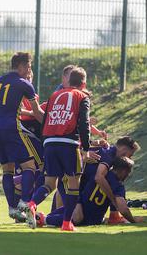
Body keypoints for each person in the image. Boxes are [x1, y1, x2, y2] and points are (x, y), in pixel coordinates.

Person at [20, 67, 98, 231]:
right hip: (68, 143)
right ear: (83, 83)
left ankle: (31, 204)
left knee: (50, 183)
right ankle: (66, 223)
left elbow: (46, 119)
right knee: (73, 182)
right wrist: (86, 147)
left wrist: (46, 141)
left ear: (69, 81)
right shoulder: (82, 96)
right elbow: (84, 124)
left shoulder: (54, 96)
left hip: (49, 143)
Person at [0, 52, 40, 221]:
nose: (29, 71)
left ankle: (12, 208)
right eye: (29, 67)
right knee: (29, 167)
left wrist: (28, 111)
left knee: (7, 169)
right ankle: (24, 202)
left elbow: (7, 106)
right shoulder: (24, 83)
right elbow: (38, 112)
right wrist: (50, 123)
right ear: (21, 66)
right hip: (11, 129)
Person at [45, 157, 141, 227]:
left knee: (73, 215)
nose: (128, 175)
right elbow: (123, 209)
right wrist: (133, 220)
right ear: (123, 171)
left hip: (82, 206)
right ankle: (43, 219)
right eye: (128, 172)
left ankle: (42, 218)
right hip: (89, 215)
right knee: (77, 218)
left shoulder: (100, 174)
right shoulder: (118, 185)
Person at [80, 136, 139, 224]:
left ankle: (114, 216)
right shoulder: (109, 155)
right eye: (130, 155)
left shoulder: (109, 153)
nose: (129, 158)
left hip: (79, 179)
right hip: (72, 177)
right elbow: (99, 177)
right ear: (123, 149)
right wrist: (113, 199)